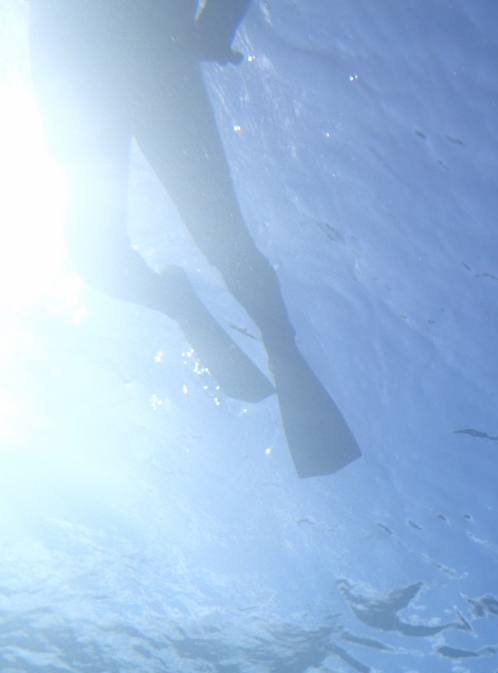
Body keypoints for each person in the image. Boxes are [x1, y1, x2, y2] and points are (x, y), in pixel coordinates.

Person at [28, 0, 360, 478]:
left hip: (149, 52)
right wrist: (215, 24)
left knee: (223, 240)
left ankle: (278, 344)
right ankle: (178, 301)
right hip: (77, 65)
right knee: (98, 258)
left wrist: (216, 22)